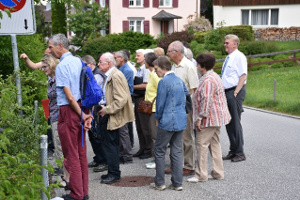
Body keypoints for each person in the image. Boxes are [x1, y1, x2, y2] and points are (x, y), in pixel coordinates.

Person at [48, 33, 92, 200]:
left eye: (51, 47)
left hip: (69, 111)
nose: (49, 50)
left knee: (71, 155)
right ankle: (84, 192)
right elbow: (87, 90)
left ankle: (76, 195)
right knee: (81, 154)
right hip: (81, 108)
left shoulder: (62, 66)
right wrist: (87, 115)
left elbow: (69, 96)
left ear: (60, 46)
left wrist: (82, 116)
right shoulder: (79, 62)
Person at [187, 52, 231, 183]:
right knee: (214, 144)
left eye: (198, 64)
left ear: (202, 65)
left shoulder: (207, 80)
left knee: (201, 144)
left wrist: (200, 117)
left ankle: (201, 175)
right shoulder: (213, 76)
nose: (196, 67)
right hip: (216, 117)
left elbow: (207, 100)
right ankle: (218, 172)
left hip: (209, 118)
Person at [153, 56, 188, 191]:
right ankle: (177, 183)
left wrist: (157, 117)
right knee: (177, 151)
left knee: (160, 150)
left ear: (162, 67)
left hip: (167, 119)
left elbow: (160, 103)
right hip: (180, 119)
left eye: (156, 69)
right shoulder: (179, 80)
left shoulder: (163, 82)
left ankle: (160, 182)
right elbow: (186, 97)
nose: (155, 72)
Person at [99, 52, 135, 184]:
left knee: (111, 145)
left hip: (112, 115)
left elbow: (121, 99)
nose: (98, 64)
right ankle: (112, 172)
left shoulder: (115, 75)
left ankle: (114, 173)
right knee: (109, 145)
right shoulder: (112, 74)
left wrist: (107, 109)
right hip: (109, 114)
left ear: (109, 63)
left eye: (101, 62)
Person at [166, 41, 199, 176]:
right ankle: (177, 165)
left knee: (186, 137)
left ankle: (189, 166)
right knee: (175, 138)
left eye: (169, 52)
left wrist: (191, 110)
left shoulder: (188, 66)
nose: (167, 54)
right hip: (173, 107)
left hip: (185, 107)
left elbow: (195, 89)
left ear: (176, 52)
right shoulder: (174, 66)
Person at [41, 55, 70, 188]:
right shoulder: (51, 80)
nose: (42, 69)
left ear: (52, 65)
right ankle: (64, 175)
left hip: (59, 116)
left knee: (61, 147)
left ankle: (66, 178)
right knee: (59, 146)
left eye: (44, 66)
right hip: (53, 115)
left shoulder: (58, 79)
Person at [221, 34, 247, 162]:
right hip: (227, 92)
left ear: (235, 44)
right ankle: (233, 150)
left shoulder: (239, 57)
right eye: (225, 43)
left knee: (235, 122)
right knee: (229, 122)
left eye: (227, 43)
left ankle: (240, 152)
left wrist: (236, 92)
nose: (225, 44)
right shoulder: (229, 58)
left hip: (234, 92)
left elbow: (243, 76)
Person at [81, 55, 108, 173]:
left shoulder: (96, 75)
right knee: (93, 135)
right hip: (93, 107)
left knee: (97, 135)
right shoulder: (92, 74)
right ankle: (98, 158)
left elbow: (92, 93)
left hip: (96, 107)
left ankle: (103, 160)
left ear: (89, 64)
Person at [138, 52, 160, 166]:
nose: (143, 62)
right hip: (151, 107)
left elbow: (161, 90)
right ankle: (156, 159)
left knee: (155, 135)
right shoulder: (151, 73)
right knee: (152, 134)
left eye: (145, 60)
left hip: (155, 108)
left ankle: (157, 160)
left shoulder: (155, 75)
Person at [114, 50, 134, 163]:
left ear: (121, 58)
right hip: (120, 100)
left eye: (116, 57)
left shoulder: (127, 70)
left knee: (123, 129)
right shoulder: (120, 69)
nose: (114, 59)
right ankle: (123, 152)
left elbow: (123, 88)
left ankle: (127, 155)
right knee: (120, 129)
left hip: (123, 101)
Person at [132, 49, 151, 158]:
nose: (136, 57)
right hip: (138, 98)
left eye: (138, 55)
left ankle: (148, 149)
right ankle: (142, 148)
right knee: (139, 125)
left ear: (145, 57)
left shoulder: (146, 69)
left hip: (143, 99)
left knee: (145, 125)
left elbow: (146, 85)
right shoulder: (140, 68)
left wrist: (131, 87)